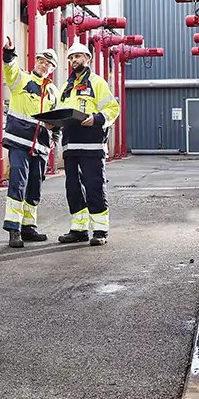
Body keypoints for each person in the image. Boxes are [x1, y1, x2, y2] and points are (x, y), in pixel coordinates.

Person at [54, 42, 121, 247]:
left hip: (91, 146)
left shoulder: (97, 82)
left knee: (94, 186)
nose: (74, 61)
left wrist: (96, 119)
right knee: (73, 188)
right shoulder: (66, 87)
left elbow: (112, 108)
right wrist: (52, 123)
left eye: (78, 57)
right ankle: (79, 229)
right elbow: (60, 111)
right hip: (70, 147)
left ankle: (100, 230)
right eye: (72, 58)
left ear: (88, 59)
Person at [0, 35, 58, 248]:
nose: (44, 65)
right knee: (18, 183)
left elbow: (57, 118)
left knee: (34, 187)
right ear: (36, 61)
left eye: (49, 63)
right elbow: (10, 68)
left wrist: (55, 137)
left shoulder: (53, 92)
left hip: (41, 147)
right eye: (41, 60)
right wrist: (9, 52)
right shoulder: (21, 79)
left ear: (52, 68)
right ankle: (13, 229)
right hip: (19, 142)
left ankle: (28, 227)